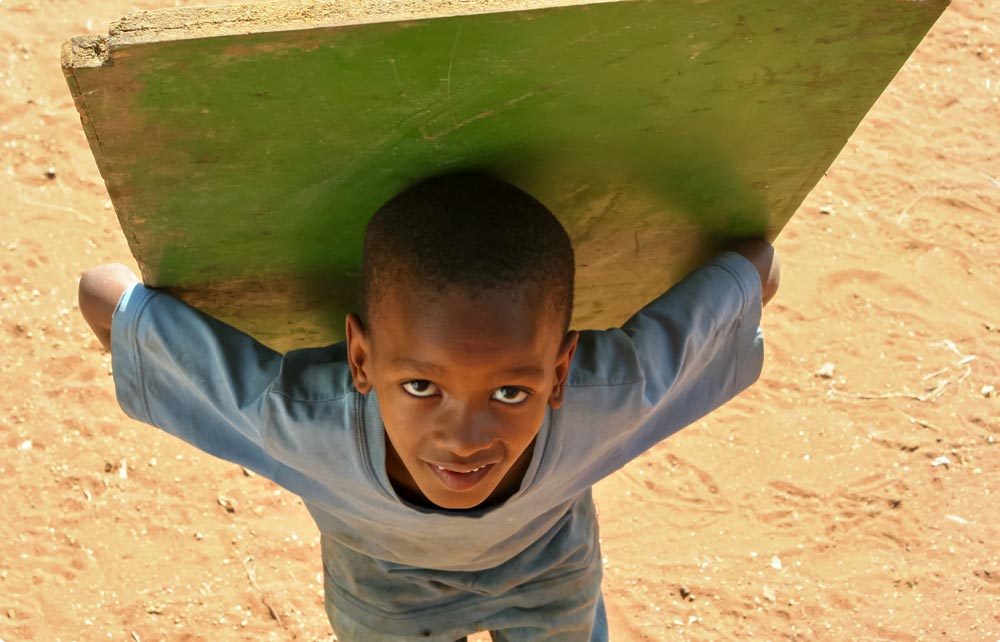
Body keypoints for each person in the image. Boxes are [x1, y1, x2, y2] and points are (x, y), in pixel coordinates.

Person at [79, 171, 779, 642]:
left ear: (559, 373)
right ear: (360, 361)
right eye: (421, 387)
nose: (465, 437)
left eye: (510, 392)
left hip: (549, 584)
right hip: (388, 603)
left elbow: (758, 268)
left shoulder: (608, 396)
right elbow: (103, 290)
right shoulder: (300, 420)